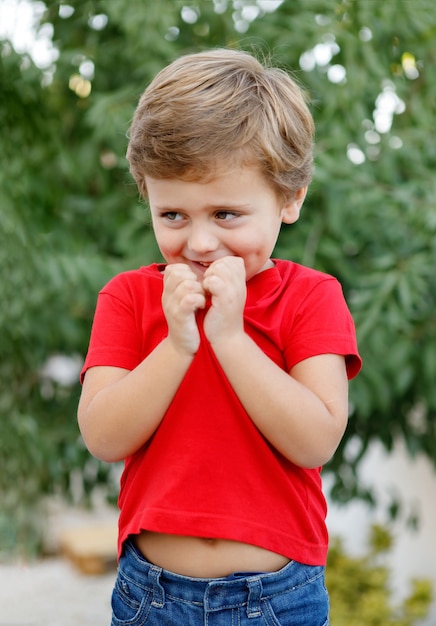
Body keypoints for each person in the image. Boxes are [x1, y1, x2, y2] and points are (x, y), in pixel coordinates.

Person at [78, 48, 361, 626]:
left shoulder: (311, 297)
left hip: (278, 600)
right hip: (150, 596)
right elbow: (103, 436)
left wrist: (229, 339)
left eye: (227, 214)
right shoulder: (130, 298)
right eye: (173, 216)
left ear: (290, 200)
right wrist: (178, 345)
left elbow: (315, 441)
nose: (200, 242)